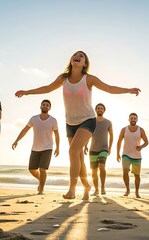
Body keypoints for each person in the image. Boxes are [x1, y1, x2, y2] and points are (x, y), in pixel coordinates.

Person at [15, 50, 140, 200]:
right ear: (71, 60)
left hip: (87, 120)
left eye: (81, 56)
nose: (77, 57)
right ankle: (86, 186)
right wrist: (26, 92)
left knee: (73, 152)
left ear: (85, 63)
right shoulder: (64, 78)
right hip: (70, 123)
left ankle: (72, 190)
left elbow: (109, 88)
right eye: (75, 55)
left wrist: (128, 90)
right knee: (78, 157)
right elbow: (47, 88)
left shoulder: (89, 79)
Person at [12, 99, 60, 195]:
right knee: (32, 169)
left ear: (49, 108)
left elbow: (57, 134)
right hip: (35, 148)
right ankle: (41, 180)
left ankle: (41, 189)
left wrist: (58, 147)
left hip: (48, 147)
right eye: (43, 104)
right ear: (40, 106)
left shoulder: (53, 120)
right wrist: (16, 140)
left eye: (47, 105)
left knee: (42, 169)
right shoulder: (34, 119)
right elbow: (25, 130)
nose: (45, 106)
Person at [116, 113, 149, 198]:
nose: (133, 119)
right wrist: (117, 154)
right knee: (125, 172)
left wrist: (141, 146)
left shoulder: (141, 130)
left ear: (137, 120)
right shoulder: (124, 129)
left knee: (137, 175)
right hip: (126, 154)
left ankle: (137, 192)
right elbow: (119, 141)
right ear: (129, 119)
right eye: (131, 118)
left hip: (137, 156)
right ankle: (127, 189)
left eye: (134, 118)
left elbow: (146, 142)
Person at [84, 103, 113, 196]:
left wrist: (110, 147)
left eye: (101, 108)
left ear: (104, 110)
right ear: (96, 110)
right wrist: (85, 146)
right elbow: (88, 134)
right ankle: (96, 190)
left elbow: (111, 135)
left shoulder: (108, 122)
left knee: (101, 166)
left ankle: (103, 187)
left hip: (104, 148)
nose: (100, 109)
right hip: (93, 149)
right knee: (94, 171)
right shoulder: (92, 122)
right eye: (98, 108)